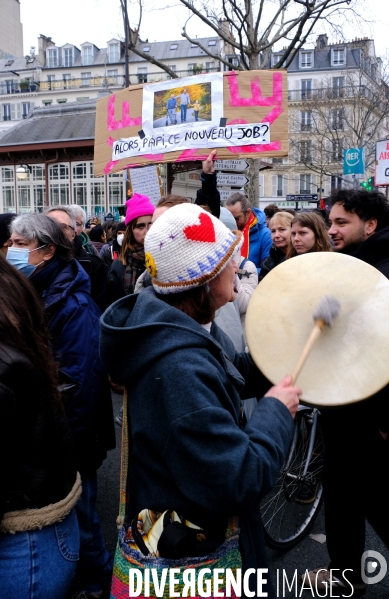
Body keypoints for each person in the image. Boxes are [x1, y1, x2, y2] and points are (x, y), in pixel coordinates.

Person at [100, 203, 301, 599]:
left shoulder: (182, 326)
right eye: (230, 261)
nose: (240, 268)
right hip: (193, 552)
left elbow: (229, 370)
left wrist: (282, 363)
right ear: (205, 281)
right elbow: (239, 478)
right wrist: (277, 411)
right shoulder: (180, 369)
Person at [8, 214, 115, 599]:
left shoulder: (73, 304)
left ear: (48, 251)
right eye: (12, 243)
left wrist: (73, 449)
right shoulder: (31, 290)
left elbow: (81, 382)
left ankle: (99, 582)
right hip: (55, 433)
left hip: (73, 436)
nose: (12, 252)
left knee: (84, 517)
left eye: (21, 244)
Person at [303, 189, 389, 594]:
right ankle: (343, 577)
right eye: (331, 221)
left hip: (372, 421)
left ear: (369, 225)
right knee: (342, 507)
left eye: (342, 223)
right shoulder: (353, 265)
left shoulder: (381, 270)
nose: (331, 229)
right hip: (347, 411)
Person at [0, 257, 81, 599]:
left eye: (22, 244)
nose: (15, 251)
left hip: (24, 545)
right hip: (39, 529)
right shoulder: (10, 296)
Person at [45, 206, 109, 313]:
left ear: (73, 233)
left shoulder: (93, 266)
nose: (55, 231)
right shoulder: (31, 265)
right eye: (49, 225)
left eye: (62, 227)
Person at [107, 193, 155, 303]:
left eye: (151, 224)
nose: (147, 231)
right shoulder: (118, 266)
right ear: (131, 232)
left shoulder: (164, 258)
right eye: (140, 226)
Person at [226, 192, 272, 273]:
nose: (233, 222)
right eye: (229, 218)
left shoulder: (265, 235)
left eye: (236, 218)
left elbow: (267, 270)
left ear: (248, 213)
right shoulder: (226, 231)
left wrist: (243, 272)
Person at [259, 211, 293, 281]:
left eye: (282, 230)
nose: (276, 235)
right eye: (273, 231)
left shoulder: (304, 256)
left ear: (293, 231)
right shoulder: (267, 263)